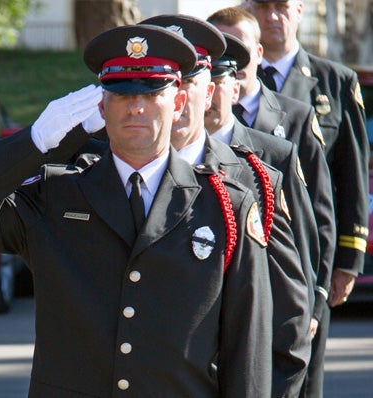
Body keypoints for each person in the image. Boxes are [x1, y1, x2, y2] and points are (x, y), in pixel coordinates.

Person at [0, 24, 274, 396]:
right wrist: (34, 143)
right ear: (102, 104)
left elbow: (247, 345)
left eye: (153, 92)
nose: (136, 107)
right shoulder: (58, 194)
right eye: (122, 94)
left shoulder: (225, 205)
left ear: (177, 102)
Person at [140, 14, 311, 396]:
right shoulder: (104, 170)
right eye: (159, 82)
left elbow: (289, 320)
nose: (173, 95)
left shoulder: (257, 180)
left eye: (191, 80)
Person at [249, 2, 369, 394]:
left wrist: (348, 259)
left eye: (281, 7)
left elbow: (350, 177)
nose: (273, 17)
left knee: (303, 379)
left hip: (310, 252)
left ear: (299, 10)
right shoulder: (233, 80)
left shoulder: (334, 81)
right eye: (262, 7)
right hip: (247, 245)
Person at [208, 7, 336, 351]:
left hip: (271, 307)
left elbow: (311, 225)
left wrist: (314, 297)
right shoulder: (184, 139)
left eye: (240, 46)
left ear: (258, 53)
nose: (232, 56)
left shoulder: (287, 131)